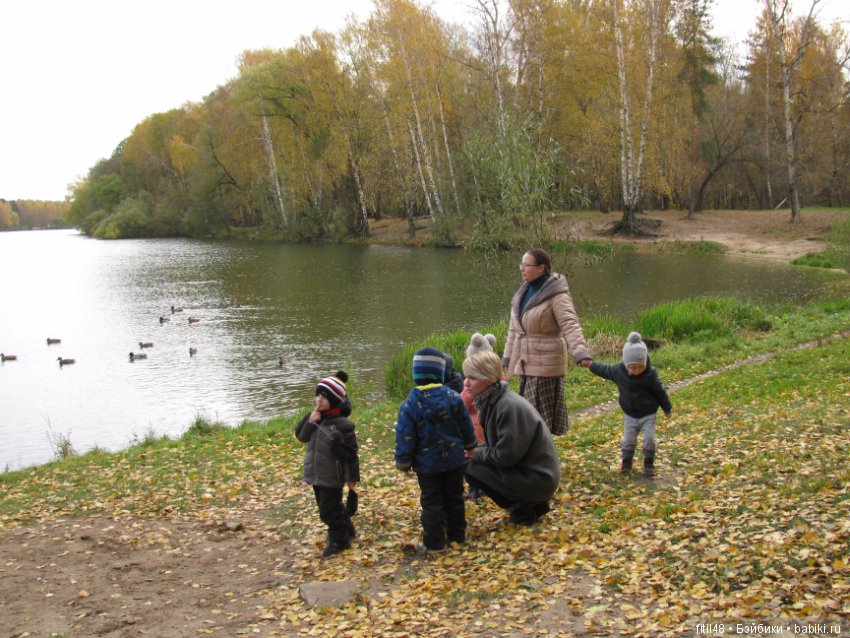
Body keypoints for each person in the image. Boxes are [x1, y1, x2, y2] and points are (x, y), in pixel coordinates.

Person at [462, 351, 560, 525]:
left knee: (468, 466)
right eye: (466, 377)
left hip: (539, 480)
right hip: (533, 474)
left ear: (488, 379)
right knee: (468, 459)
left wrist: (474, 453)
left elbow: (505, 456)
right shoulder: (494, 400)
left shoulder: (506, 406)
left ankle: (522, 511)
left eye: (472, 378)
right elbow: (497, 447)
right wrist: (471, 450)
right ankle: (534, 506)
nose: (466, 383)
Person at [395, 347, 477, 552]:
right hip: (454, 461)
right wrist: (470, 445)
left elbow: (405, 435)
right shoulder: (454, 397)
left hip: (427, 465)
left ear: (416, 375)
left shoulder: (410, 404)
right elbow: (465, 425)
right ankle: (457, 536)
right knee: (455, 498)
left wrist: (404, 461)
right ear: (440, 373)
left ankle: (434, 542)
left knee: (432, 502)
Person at [503, 248, 592, 435]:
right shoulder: (522, 293)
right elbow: (514, 331)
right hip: (526, 364)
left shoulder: (557, 295)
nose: (521, 268)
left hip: (545, 365)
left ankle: (540, 459)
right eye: (521, 264)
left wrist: (580, 352)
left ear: (541, 268)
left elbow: (570, 323)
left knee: (536, 422)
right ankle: (535, 458)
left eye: (526, 265)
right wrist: (506, 360)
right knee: (527, 419)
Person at [580, 332, 672, 476]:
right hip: (630, 415)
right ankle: (626, 463)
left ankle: (649, 463)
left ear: (645, 363)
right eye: (632, 367)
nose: (636, 371)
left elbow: (660, 392)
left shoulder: (650, 374)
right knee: (628, 440)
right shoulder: (618, 371)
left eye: (640, 367)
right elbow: (604, 370)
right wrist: (591, 364)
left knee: (649, 440)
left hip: (649, 414)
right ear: (625, 363)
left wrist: (667, 408)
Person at [295, 370, 360, 557]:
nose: (319, 400)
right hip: (316, 475)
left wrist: (352, 478)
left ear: (334, 400)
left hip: (333, 476)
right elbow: (301, 437)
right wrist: (310, 420)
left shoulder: (343, 425)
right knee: (332, 507)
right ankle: (347, 529)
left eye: (324, 397)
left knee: (328, 512)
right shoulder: (315, 417)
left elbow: (351, 455)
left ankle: (339, 541)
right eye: (318, 395)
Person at [461, 333, 497, 500]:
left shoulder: (471, 387)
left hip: (474, 430)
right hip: (487, 429)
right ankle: (485, 486)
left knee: (471, 461)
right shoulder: (497, 379)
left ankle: (475, 489)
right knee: (484, 459)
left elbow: (460, 404)